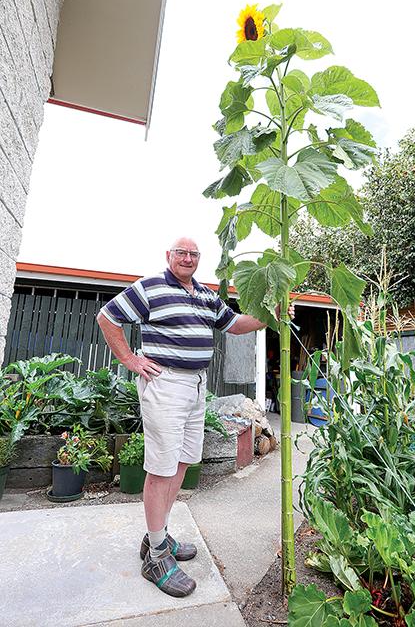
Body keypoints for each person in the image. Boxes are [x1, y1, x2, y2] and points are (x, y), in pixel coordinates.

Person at [97, 237, 290, 598]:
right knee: (162, 468)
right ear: (168, 256)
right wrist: (130, 360)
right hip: (165, 383)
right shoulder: (151, 287)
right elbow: (107, 317)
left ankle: (158, 534)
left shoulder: (203, 294)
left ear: (199, 260)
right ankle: (155, 557)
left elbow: (234, 323)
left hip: (197, 386)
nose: (187, 258)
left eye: (193, 254)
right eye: (180, 253)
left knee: (184, 462)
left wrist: (270, 317)